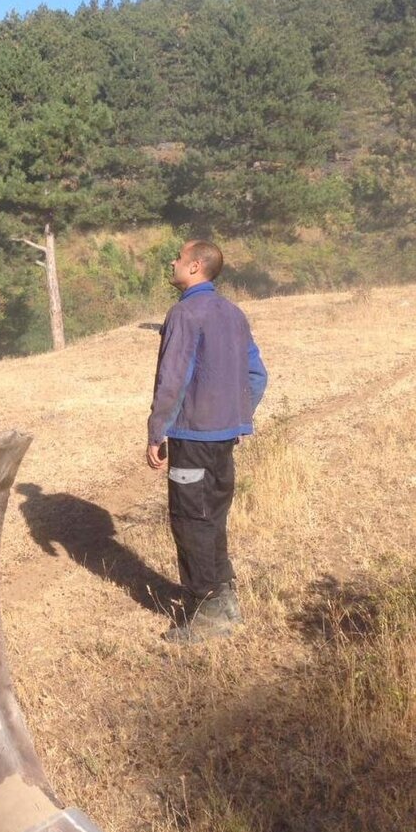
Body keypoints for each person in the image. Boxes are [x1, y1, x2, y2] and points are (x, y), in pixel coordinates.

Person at [146, 239, 267, 643]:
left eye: (179, 258)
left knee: (190, 521)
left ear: (196, 266)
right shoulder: (234, 313)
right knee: (212, 516)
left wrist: (157, 431)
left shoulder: (184, 313)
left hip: (192, 438)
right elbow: (257, 375)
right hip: (223, 438)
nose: (173, 261)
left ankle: (207, 613)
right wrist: (235, 416)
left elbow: (173, 380)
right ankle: (225, 601)